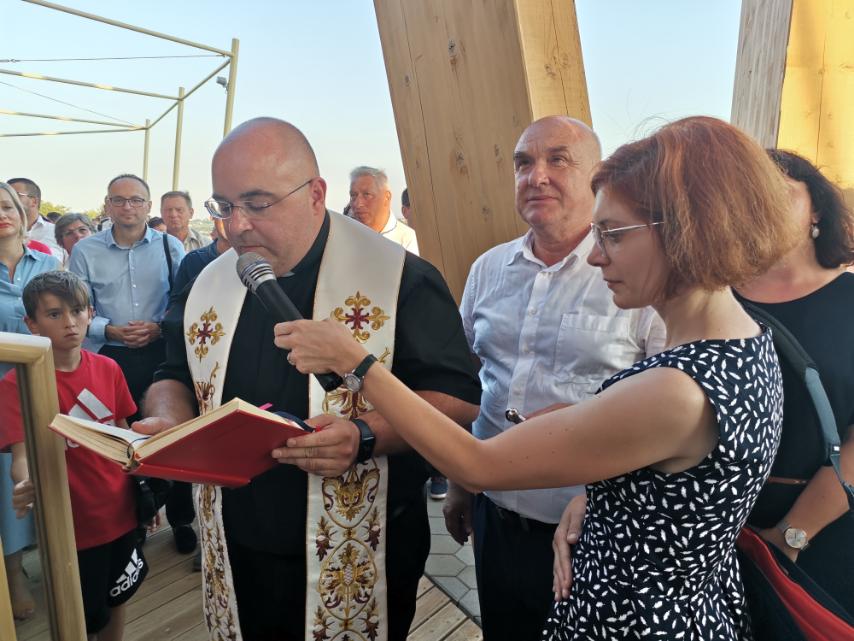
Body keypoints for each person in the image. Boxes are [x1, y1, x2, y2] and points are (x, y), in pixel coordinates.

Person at [277, 116, 797, 640]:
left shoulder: (676, 390)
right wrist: (594, 495)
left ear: (687, 229)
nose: (597, 254)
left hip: (630, 619)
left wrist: (358, 363)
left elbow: (477, 463)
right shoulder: (745, 344)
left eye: (614, 234)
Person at [134, 117, 481, 641]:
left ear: (316, 193)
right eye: (224, 206)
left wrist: (365, 435)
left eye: (257, 203)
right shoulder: (208, 282)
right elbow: (173, 372)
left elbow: (458, 397)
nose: (236, 226)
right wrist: (168, 419)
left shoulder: (399, 277)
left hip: (365, 541)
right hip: (235, 540)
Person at [445, 115, 664, 640]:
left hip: (589, 532)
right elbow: (468, 381)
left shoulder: (636, 277)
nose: (535, 176)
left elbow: (666, 415)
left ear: (597, 177)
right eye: (523, 163)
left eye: (557, 160)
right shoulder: (487, 269)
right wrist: (458, 485)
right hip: (495, 516)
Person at [735, 149, 854, 618]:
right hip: (712, 526)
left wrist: (791, 535)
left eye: (777, 193)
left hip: (825, 531)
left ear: (817, 209)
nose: (760, 206)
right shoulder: (708, 296)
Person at [0, 270, 147, 641]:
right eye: (54, 314)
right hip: (70, 524)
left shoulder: (109, 367)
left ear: (90, 313)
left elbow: (126, 436)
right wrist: (25, 483)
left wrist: (145, 491)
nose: (69, 322)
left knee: (118, 596)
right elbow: (21, 456)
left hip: (120, 510)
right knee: (80, 616)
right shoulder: (16, 384)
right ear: (31, 324)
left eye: (77, 311)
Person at [67, 175, 192, 554]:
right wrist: (110, 330)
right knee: (122, 439)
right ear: (106, 205)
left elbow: (181, 301)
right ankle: (134, 520)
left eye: (136, 200)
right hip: (111, 356)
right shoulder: (85, 250)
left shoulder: (170, 246)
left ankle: (181, 519)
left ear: (148, 206)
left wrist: (158, 327)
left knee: (174, 433)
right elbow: (79, 306)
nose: (127, 207)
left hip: (160, 354)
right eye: (119, 200)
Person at [0, 181, 61, 620]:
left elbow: (69, 314)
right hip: (0, 390)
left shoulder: (49, 262)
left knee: (46, 470)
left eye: (7, 206)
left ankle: (58, 559)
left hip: (42, 384)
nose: (1, 214)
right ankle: (13, 570)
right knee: (7, 481)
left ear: (22, 214)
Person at [349, 166, 419, 254]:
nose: (358, 204)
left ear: (387, 197)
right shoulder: (344, 237)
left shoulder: (408, 241)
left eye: (367, 194)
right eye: (353, 195)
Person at [7, 177, 66, 261]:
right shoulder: (4, 232)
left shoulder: (58, 232)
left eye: (15, 195)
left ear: (34, 201)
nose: (8, 199)